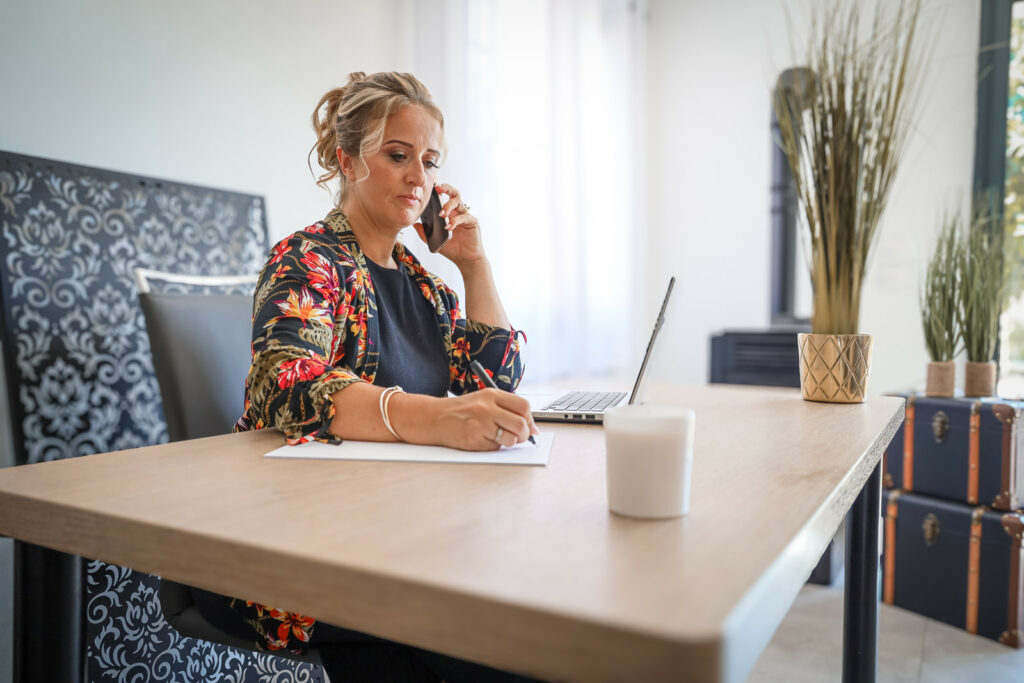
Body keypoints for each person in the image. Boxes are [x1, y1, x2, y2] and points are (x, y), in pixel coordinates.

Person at [195, 71, 541, 682]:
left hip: (400, 531)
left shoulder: (424, 284)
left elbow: (494, 378)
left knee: (519, 625)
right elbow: (287, 386)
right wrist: (435, 417)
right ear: (346, 160)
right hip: (296, 543)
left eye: (430, 162)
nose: (418, 178)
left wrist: (474, 264)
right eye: (398, 155)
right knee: (497, 645)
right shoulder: (307, 259)